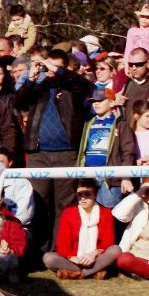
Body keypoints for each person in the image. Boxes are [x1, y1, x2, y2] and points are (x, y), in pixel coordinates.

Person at [15, 48, 92, 249]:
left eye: (56, 67)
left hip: (66, 153)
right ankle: (40, 251)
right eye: (48, 66)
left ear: (65, 68)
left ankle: (59, 249)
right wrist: (31, 79)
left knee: (64, 204)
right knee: (39, 204)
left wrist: (54, 68)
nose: (50, 71)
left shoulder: (73, 88)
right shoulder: (39, 88)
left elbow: (83, 84)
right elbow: (18, 102)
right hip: (38, 153)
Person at [44, 179, 119, 279]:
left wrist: (94, 254)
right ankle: (94, 272)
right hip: (75, 260)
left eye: (87, 194)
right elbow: (62, 244)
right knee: (48, 258)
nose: (83, 198)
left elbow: (108, 241)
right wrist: (72, 257)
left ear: (95, 195)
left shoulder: (105, 212)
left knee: (116, 250)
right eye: (79, 194)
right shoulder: (68, 212)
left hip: (96, 259)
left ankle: (81, 274)